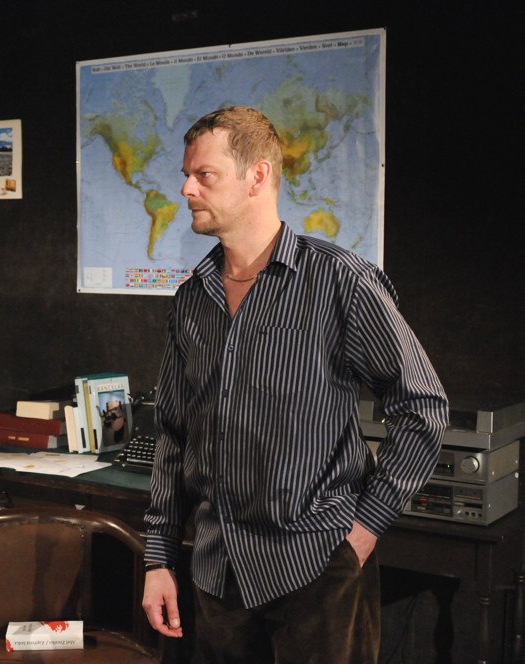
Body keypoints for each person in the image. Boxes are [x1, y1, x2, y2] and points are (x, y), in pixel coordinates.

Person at [140, 106, 448, 663]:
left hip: (318, 569)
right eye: (187, 175)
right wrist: (159, 558)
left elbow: (422, 406)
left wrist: (364, 532)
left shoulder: (340, 281)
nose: (186, 189)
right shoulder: (192, 298)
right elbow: (173, 435)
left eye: (204, 174)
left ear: (257, 176)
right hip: (218, 573)